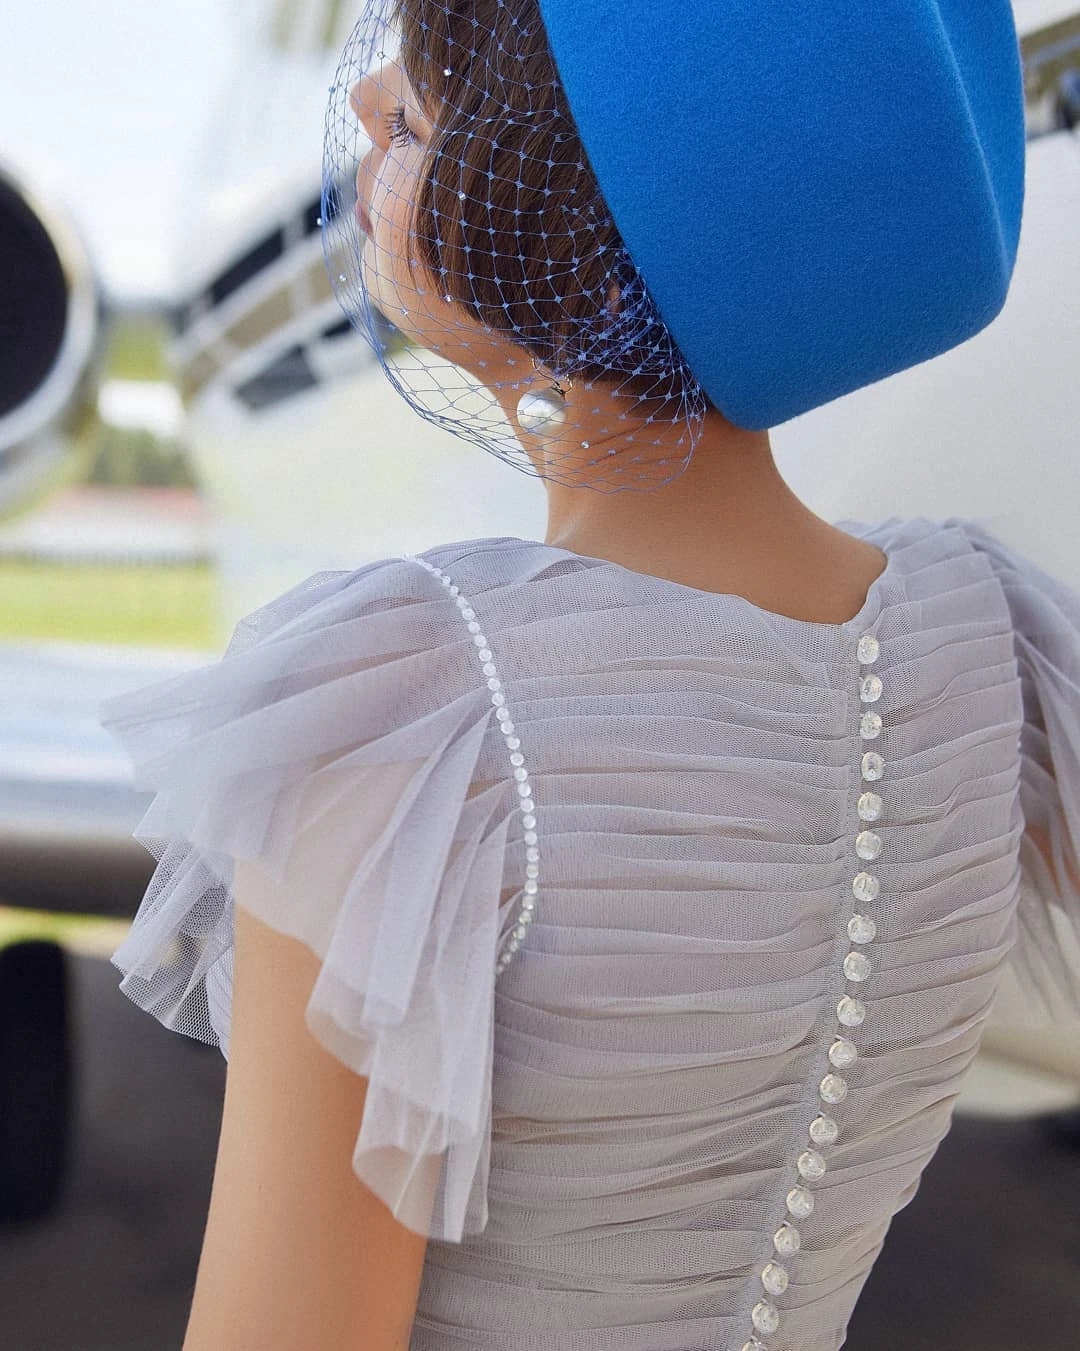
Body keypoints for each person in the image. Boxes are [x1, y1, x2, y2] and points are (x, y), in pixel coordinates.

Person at [99, 3, 1079, 1349]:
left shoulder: (405, 721)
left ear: (588, 249)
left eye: (430, 108)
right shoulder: (986, 636)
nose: (373, 100)